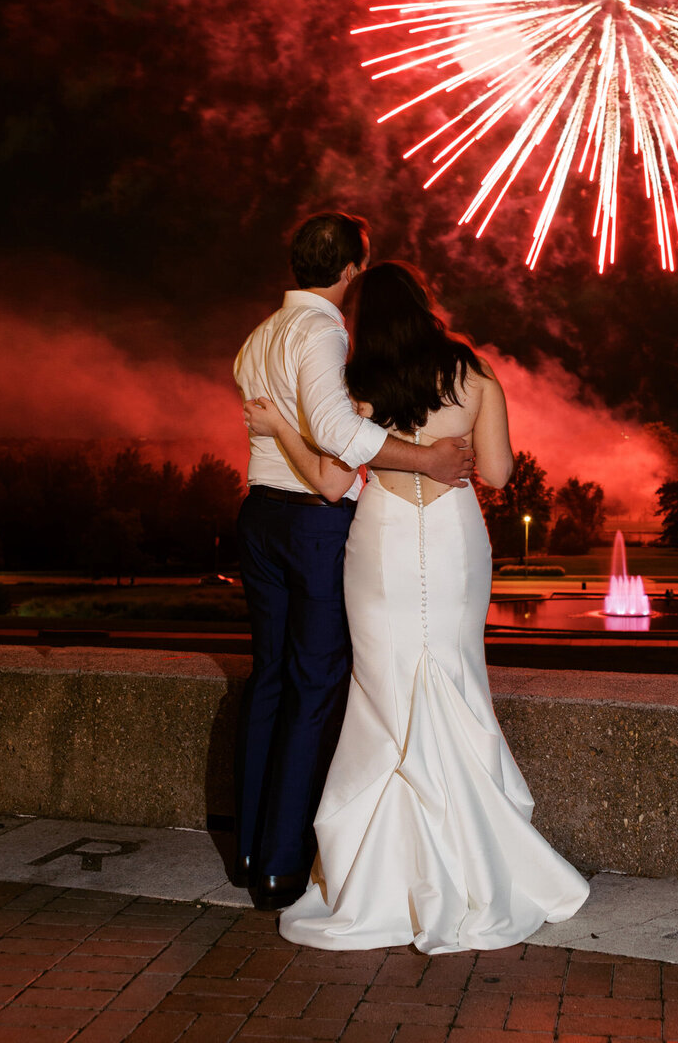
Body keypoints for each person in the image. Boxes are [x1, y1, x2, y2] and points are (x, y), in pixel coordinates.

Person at [244, 260, 589, 951]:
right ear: (429, 307)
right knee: (458, 679)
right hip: (458, 538)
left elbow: (330, 481)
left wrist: (280, 428)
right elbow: (496, 474)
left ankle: (386, 875)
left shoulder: (358, 385)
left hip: (385, 540)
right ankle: (481, 857)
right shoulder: (474, 372)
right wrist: (448, 445)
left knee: (383, 695)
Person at [232, 215, 475, 912]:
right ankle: (281, 866)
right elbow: (338, 437)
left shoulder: (258, 338)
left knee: (271, 682)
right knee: (314, 688)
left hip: (261, 516)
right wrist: (425, 458)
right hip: (311, 523)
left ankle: (251, 848)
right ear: (349, 271)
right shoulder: (321, 331)